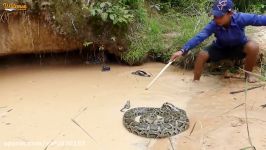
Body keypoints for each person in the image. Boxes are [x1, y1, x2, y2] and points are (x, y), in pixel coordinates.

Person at [170, 0, 266, 83]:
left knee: (253, 47)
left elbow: (259, 19)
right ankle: (195, 82)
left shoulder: (241, 18)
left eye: (220, 16)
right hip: (221, 48)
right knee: (202, 55)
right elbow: (200, 36)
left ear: (230, 13)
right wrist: (183, 50)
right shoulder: (213, 24)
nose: (216, 19)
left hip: (239, 47)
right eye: (215, 16)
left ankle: (248, 75)